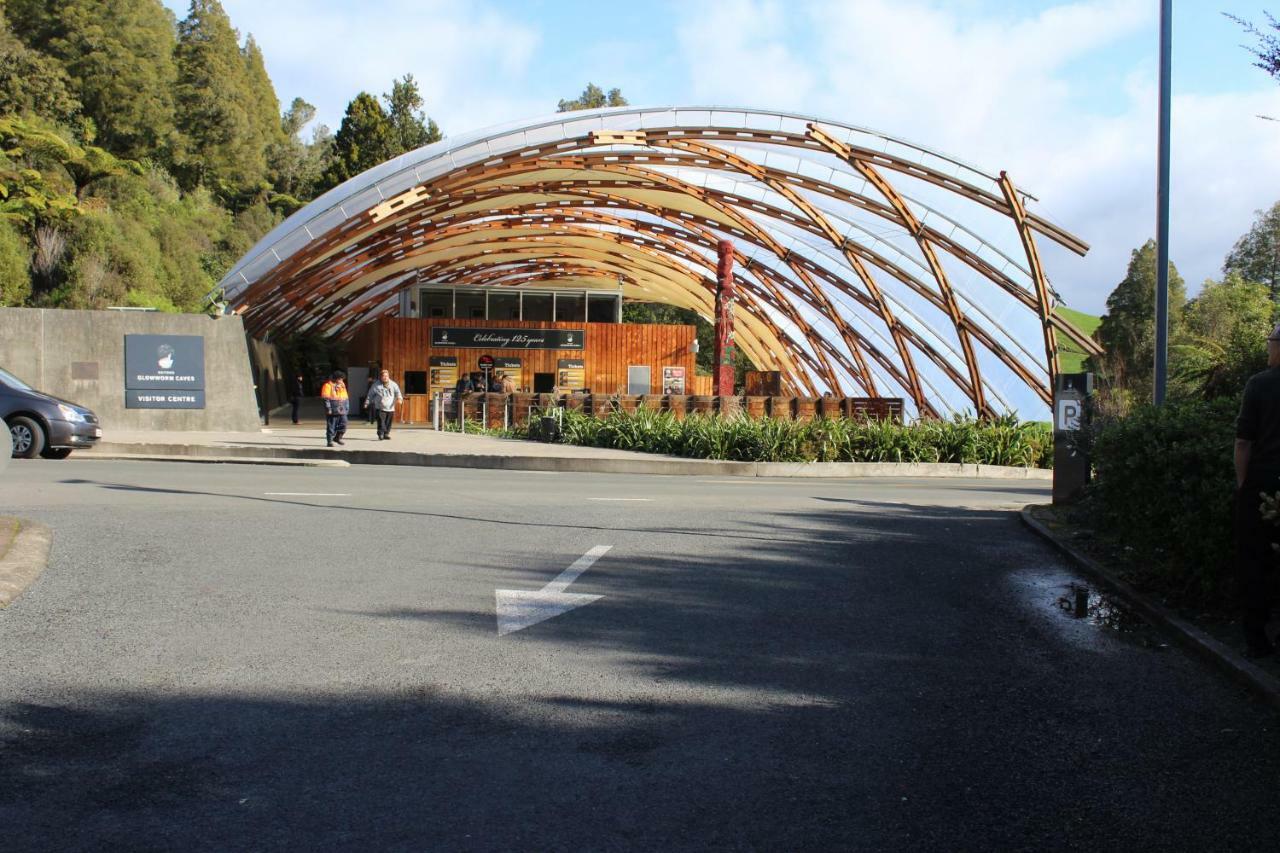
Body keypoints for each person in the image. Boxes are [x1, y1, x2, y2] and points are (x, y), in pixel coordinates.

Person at [1234, 323, 1280, 657]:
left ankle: (1256, 638)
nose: (1267, 349)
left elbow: (1243, 442)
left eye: (1270, 343)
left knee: (1256, 561)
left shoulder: (1260, 384)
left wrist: (1243, 485)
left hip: (1264, 486)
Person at [365, 369, 404, 440]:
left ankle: (386, 434)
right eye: (384, 376)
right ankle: (381, 434)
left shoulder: (393, 384)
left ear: (388, 376)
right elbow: (370, 395)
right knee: (381, 421)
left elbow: (398, 392)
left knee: (388, 422)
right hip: (380, 407)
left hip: (390, 407)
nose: (385, 377)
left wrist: (399, 399)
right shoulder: (376, 385)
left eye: (386, 376)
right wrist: (367, 402)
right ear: (381, 377)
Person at [320, 370, 349, 447]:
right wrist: (328, 409)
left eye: (342, 379)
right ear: (336, 379)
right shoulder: (327, 386)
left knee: (344, 424)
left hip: (342, 409)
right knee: (331, 426)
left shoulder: (342, 385)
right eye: (340, 379)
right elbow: (326, 399)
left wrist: (347, 408)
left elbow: (346, 397)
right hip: (332, 409)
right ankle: (329, 441)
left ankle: (337, 438)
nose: (341, 380)